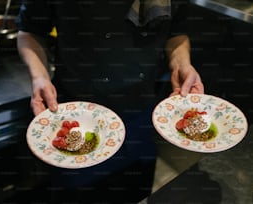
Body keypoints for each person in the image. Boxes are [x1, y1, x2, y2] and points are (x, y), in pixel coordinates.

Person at [16, 0, 204, 203]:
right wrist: (39, 77)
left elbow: (176, 33)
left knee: (135, 193)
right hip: (76, 117)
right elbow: (29, 32)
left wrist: (182, 63)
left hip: (140, 116)